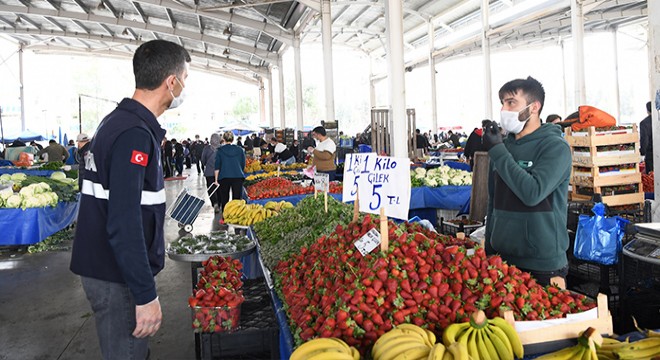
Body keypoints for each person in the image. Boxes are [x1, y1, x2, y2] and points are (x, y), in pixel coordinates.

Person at [70, 39, 190, 360]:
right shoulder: (134, 133)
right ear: (171, 82)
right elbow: (124, 221)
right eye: (185, 79)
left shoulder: (117, 122)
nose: (184, 88)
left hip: (105, 268)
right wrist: (145, 293)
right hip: (115, 275)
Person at [482, 76, 571, 287]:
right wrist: (489, 249)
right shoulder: (504, 148)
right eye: (502, 103)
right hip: (503, 260)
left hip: (542, 265)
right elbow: (493, 201)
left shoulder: (555, 147)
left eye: (511, 102)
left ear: (534, 107)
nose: (504, 109)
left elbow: (533, 193)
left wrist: (497, 151)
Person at [214, 132, 246, 213]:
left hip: (224, 177)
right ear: (233, 139)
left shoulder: (220, 151)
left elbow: (217, 166)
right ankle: (237, 215)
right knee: (237, 198)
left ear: (223, 139)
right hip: (237, 176)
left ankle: (225, 216)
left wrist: (216, 180)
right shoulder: (240, 150)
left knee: (224, 198)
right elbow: (243, 164)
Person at [202, 133, 222, 212]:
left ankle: (215, 203)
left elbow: (203, 160)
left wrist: (207, 164)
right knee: (219, 188)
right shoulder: (221, 149)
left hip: (209, 173)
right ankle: (220, 203)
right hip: (220, 172)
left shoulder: (206, 149)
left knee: (211, 189)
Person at [640, 101, 653, 174]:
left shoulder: (644, 123)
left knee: (651, 179)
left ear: (647, 110)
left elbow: (644, 140)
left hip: (650, 156)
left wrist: (642, 152)